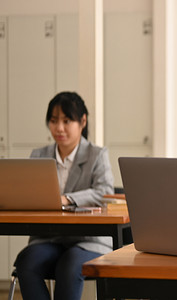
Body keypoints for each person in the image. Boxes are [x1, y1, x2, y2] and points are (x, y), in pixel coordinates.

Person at [14, 91, 114, 300]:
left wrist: (67, 198)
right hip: (49, 238)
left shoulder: (97, 155)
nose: (59, 128)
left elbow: (104, 192)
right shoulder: (39, 156)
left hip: (88, 240)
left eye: (67, 121)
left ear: (82, 121)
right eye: (53, 121)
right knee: (26, 262)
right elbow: (28, 195)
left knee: (70, 265)